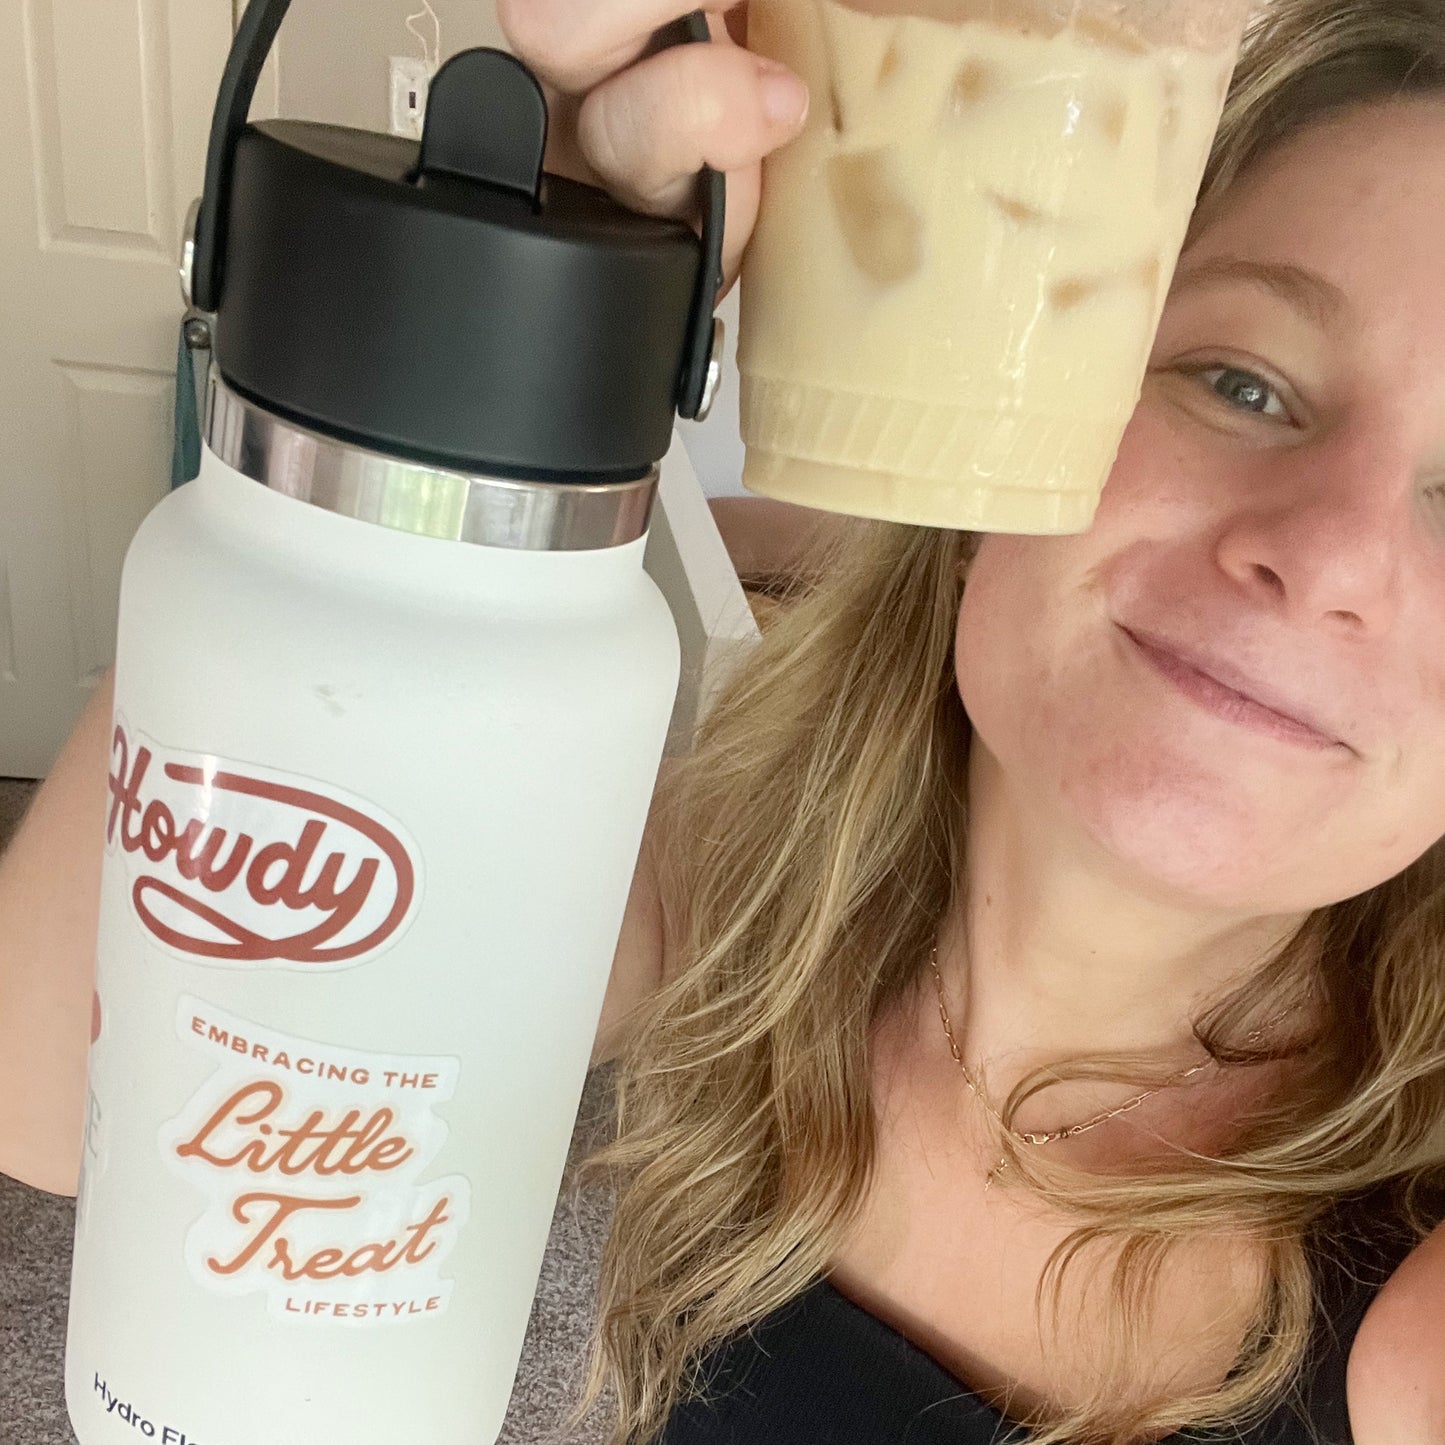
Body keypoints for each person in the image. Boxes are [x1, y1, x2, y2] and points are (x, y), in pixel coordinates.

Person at [1, 1, 1443, 1443]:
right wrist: (422, 405)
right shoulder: (727, 870)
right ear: (1012, 398)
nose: (1325, 561)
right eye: (1241, 383)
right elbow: (45, 1095)